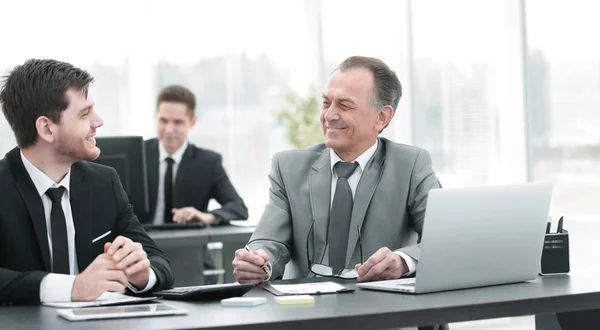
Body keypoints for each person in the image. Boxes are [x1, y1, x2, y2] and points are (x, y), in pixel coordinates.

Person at [233, 56, 442, 284]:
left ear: (382, 117)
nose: (329, 115)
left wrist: (403, 262)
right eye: (326, 103)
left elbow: (442, 238)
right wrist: (259, 261)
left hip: (382, 308)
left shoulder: (410, 165)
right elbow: (269, 242)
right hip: (306, 309)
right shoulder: (288, 167)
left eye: (344, 105)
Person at [0, 59, 174, 304]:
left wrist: (142, 274)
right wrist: (72, 288)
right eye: (85, 114)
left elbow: (160, 263)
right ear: (47, 129)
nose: (98, 122)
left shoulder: (104, 182)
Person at [144, 85, 248, 283]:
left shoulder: (208, 162)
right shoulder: (137, 155)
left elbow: (238, 208)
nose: (169, 130)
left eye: (177, 122)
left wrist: (204, 217)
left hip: (189, 258)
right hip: (142, 256)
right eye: (163, 121)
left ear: (193, 122)